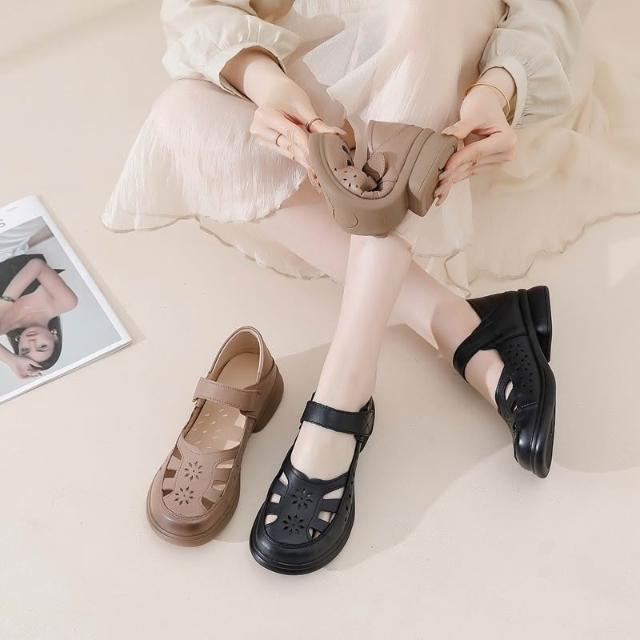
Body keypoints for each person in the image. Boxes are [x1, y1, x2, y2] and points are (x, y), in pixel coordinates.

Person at [104, 0, 610, 571]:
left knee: (429, 12)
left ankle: (342, 395)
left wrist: (500, 87)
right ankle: (456, 323)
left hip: (447, 91)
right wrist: (266, 83)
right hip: (314, 88)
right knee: (180, 112)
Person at [0, 255, 77, 378]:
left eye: (25, 349)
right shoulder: (65, 303)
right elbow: (37, 265)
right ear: (55, 338)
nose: (31, 342)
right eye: (42, 346)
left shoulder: (3, 326)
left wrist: (12, 361)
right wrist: (5, 303)